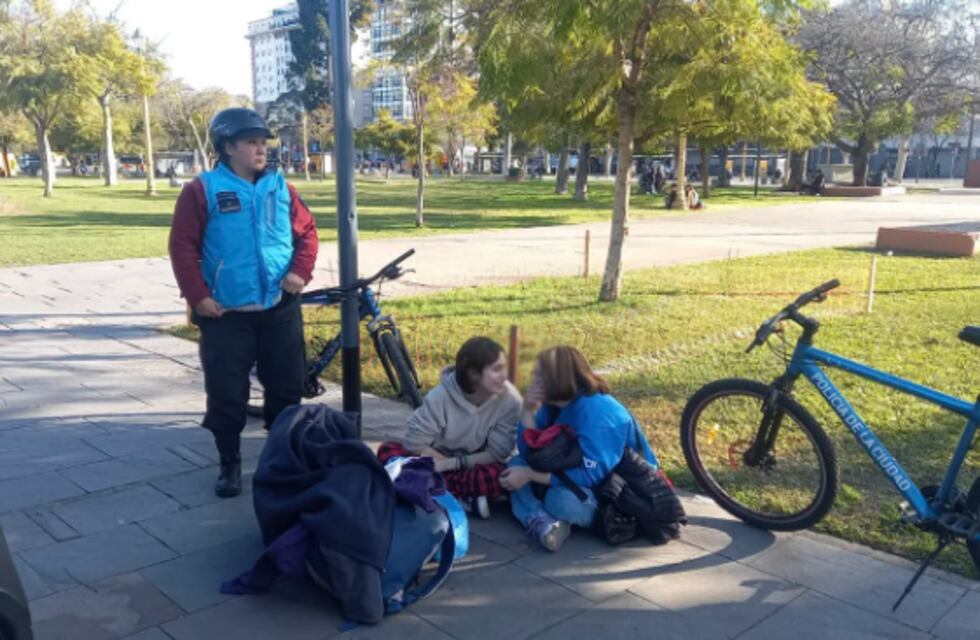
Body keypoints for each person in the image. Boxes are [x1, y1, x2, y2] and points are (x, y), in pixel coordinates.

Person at [168, 107, 319, 498]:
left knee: (287, 391)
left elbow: (308, 235)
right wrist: (198, 296)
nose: (260, 149)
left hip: (279, 308)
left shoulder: (282, 189)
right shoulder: (202, 190)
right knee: (227, 394)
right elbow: (182, 246)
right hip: (225, 314)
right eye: (251, 142)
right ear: (228, 146)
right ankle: (229, 463)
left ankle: (280, 460)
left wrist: (300, 272)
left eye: (262, 142)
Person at [500, 346, 661, 552]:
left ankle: (550, 516)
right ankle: (542, 520)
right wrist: (528, 412)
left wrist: (530, 475)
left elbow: (591, 475)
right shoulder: (555, 403)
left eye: (539, 377)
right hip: (575, 471)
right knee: (514, 466)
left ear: (559, 379)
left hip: (621, 489)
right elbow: (528, 453)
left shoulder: (598, 414)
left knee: (559, 500)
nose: (532, 383)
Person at [378, 337, 522, 518]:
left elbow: (497, 453)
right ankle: (462, 497)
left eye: (505, 367)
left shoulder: (510, 401)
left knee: (501, 474)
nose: (505, 375)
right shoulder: (441, 397)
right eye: (496, 369)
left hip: (473, 464)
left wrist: (449, 466)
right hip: (434, 457)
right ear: (473, 375)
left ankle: (432, 491)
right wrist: (440, 464)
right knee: (388, 452)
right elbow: (414, 442)